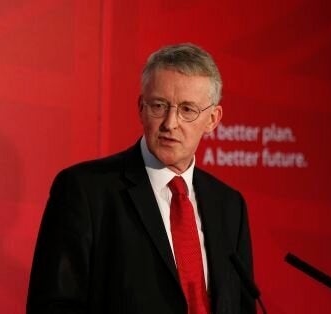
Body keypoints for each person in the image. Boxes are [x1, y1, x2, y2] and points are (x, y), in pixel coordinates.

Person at [27, 43, 255, 314]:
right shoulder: (86, 190)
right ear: (141, 107)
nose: (170, 123)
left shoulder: (229, 205)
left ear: (213, 119)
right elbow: (54, 305)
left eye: (187, 110)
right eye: (159, 105)